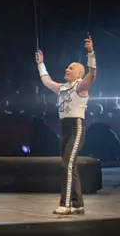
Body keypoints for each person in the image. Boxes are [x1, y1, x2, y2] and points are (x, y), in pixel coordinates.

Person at [35, 35, 96, 215]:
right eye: (67, 67)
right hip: (65, 128)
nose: (67, 69)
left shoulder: (81, 86)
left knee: (66, 165)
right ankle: (78, 204)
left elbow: (92, 74)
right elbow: (46, 81)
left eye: (71, 68)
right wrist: (40, 63)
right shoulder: (62, 87)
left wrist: (91, 52)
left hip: (76, 127)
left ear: (79, 73)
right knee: (71, 165)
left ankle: (66, 203)